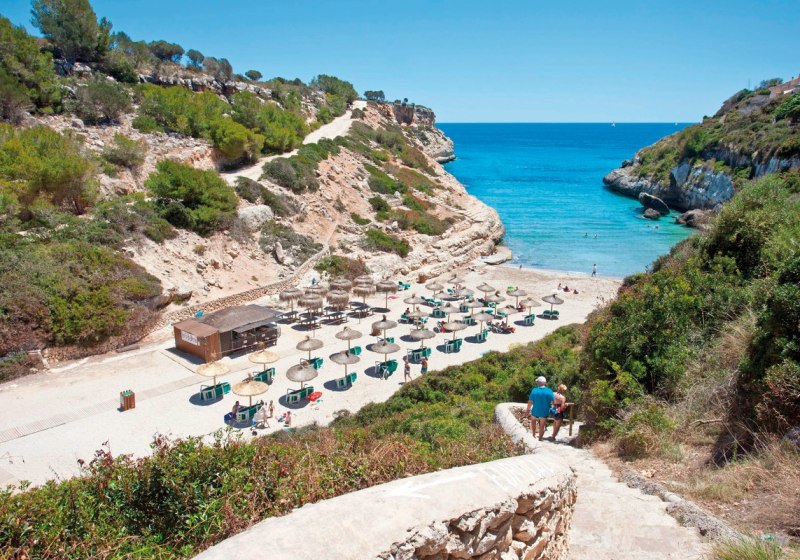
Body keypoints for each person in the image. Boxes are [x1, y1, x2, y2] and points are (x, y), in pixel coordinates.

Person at [526, 376, 555, 441]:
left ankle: (533, 434)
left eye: (537, 382)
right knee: (542, 425)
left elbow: (530, 401)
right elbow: (553, 402)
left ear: (539, 382)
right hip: (544, 411)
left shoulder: (534, 390)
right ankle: (540, 438)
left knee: (533, 421)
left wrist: (528, 410)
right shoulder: (549, 391)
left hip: (535, 410)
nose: (536, 383)